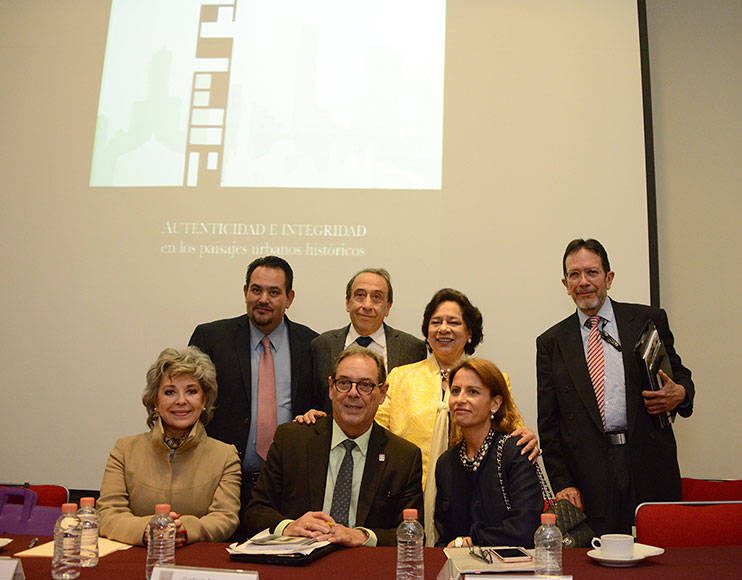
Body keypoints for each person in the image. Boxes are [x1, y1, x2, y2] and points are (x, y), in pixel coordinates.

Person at [536, 238, 695, 535]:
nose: (583, 282)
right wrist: (563, 483)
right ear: (565, 283)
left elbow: (681, 376)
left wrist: (681, 393)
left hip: (649, 465)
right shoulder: (551, 343)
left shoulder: (647, 320)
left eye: (592, 272)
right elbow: (549, 423)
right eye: (574, 275)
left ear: (609, 278)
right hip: (588, 476)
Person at [373, 288, 539, 545]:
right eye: (436, 322)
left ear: (469, 332)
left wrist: (528, 436)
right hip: (407, 498)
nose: (443, 329)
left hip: (467, 502)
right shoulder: (400, 377)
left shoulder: (492, 377)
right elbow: (373, 431)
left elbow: (511, 428)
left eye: (454, 322)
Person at [244, 346, 423, 547]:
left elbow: (411, 534)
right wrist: (288, 527)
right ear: (331, 388)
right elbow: (256, 511)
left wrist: (363, 536)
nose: (353, 393)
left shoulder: (403, 457)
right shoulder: (292, 440)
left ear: (382, 393)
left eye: (365, 385)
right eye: (344, 383)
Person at [188, 256, 319, 508]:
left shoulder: (311, 344)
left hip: (289, 488)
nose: (263, 299)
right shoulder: (212, 338)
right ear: (245, 291)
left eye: (274, 292)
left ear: (289, 298)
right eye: (256, 290)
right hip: (221, 484)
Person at [98, 347, 241, 546]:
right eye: (170, 392)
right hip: (135, 560)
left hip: (196, 563)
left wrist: (185, 529)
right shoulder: (124, 450)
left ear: (204, 400)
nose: (181, 401)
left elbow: (225, 518)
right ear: (155, 400)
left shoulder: (225, 455)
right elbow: (108, 515)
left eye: (191, 391)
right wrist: (147, 530)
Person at [435, 358, 542, 548]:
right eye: (455, 391)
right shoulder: (446, 462)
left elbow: (525, 528)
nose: (460, 399)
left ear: (495, 403)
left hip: (513, 569)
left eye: (473, 392)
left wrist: (471, 541)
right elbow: (445, 535)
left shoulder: (515, 450)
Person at [311, 268, 426, 412]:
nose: (367, 305)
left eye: (376, 297)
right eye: (360, 295)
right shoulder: (322, 345)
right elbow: (315, 402)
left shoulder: (412, 349)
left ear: (388, 307)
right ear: (347, 303)